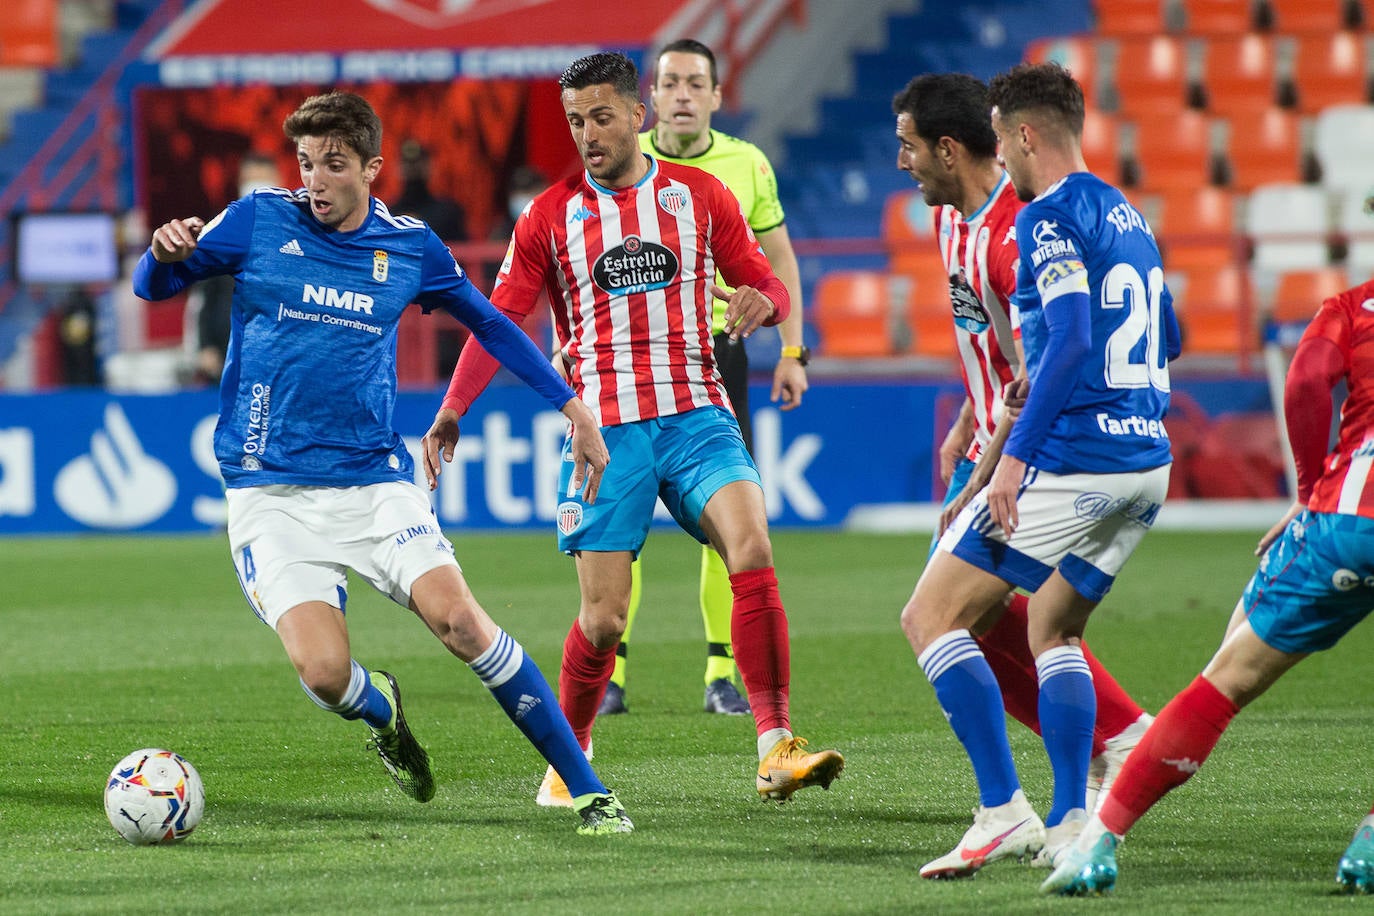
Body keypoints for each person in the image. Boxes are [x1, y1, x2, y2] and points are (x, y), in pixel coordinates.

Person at [131, 90, 631, 837]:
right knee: (326, 675)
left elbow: (492, 324)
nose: (315, 180)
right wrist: (161, 253)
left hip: (373, 481)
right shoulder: (259, 220)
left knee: (462, 623)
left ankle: (590, 792)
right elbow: (155, 286)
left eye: (333, 165)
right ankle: (382, 711)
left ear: (372, 168)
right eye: (306, 163)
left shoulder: (409, 248)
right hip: (270, 493)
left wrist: (573, 407)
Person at [421, 52, 843, 810]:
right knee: (603, 618)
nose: (588, 134)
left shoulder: (700, 195)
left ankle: (775, 746)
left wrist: (770, 303)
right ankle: (570, 759)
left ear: (636, 116)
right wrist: (454, 406)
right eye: (575, 121)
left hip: (698, 413)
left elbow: (764, 278)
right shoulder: (549, 216)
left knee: (751, 549)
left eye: (601, 117)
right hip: (606, 431)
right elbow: (498, 319)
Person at [898, 61, 1180, 879]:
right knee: (1050, 626)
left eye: (1002, 136)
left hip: (1069, 452)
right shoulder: (1125, 212)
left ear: (1020, 135)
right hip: (1144, 459)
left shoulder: (1038, 219)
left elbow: (1069, 342)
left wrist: (1008, 460)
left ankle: (1004, 810)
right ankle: (1068, 817)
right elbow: (1167, 333)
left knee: (931, 616)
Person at [1043, 277, 1374, 896]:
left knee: (1228, 676)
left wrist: (1308, 492)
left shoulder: (1354, 307)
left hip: (1351, 523)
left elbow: (1306, 381)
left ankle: (1098, 842)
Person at [590, 38, 811, 719]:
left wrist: (793, 350)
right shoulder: (621, 159)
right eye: (670, 83)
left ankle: (721, 674)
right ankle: (612, 674)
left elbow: (778, 260)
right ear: (650, 98)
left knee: (730, 517)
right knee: (622, 518)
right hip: (628, 357)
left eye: (695, 83)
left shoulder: (747, 165)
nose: (682, 94)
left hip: (717, 353)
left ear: (717, 95)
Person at [185, 151, 282, 384]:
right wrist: (205, 346)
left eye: (263, 180)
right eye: (251, 180)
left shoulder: (294, 233)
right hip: (227, 352)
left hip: (276, 353)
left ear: (278, 181)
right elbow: (204, 297)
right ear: (240, 183)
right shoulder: (222, 232)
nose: (257, 188)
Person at [393, 139, 467, 242]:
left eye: (417, 164)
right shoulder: (387, 214)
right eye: (408, 164)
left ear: (429, 166)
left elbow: (462, 249)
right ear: (398, 168)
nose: (413, 169)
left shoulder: (447, 213)